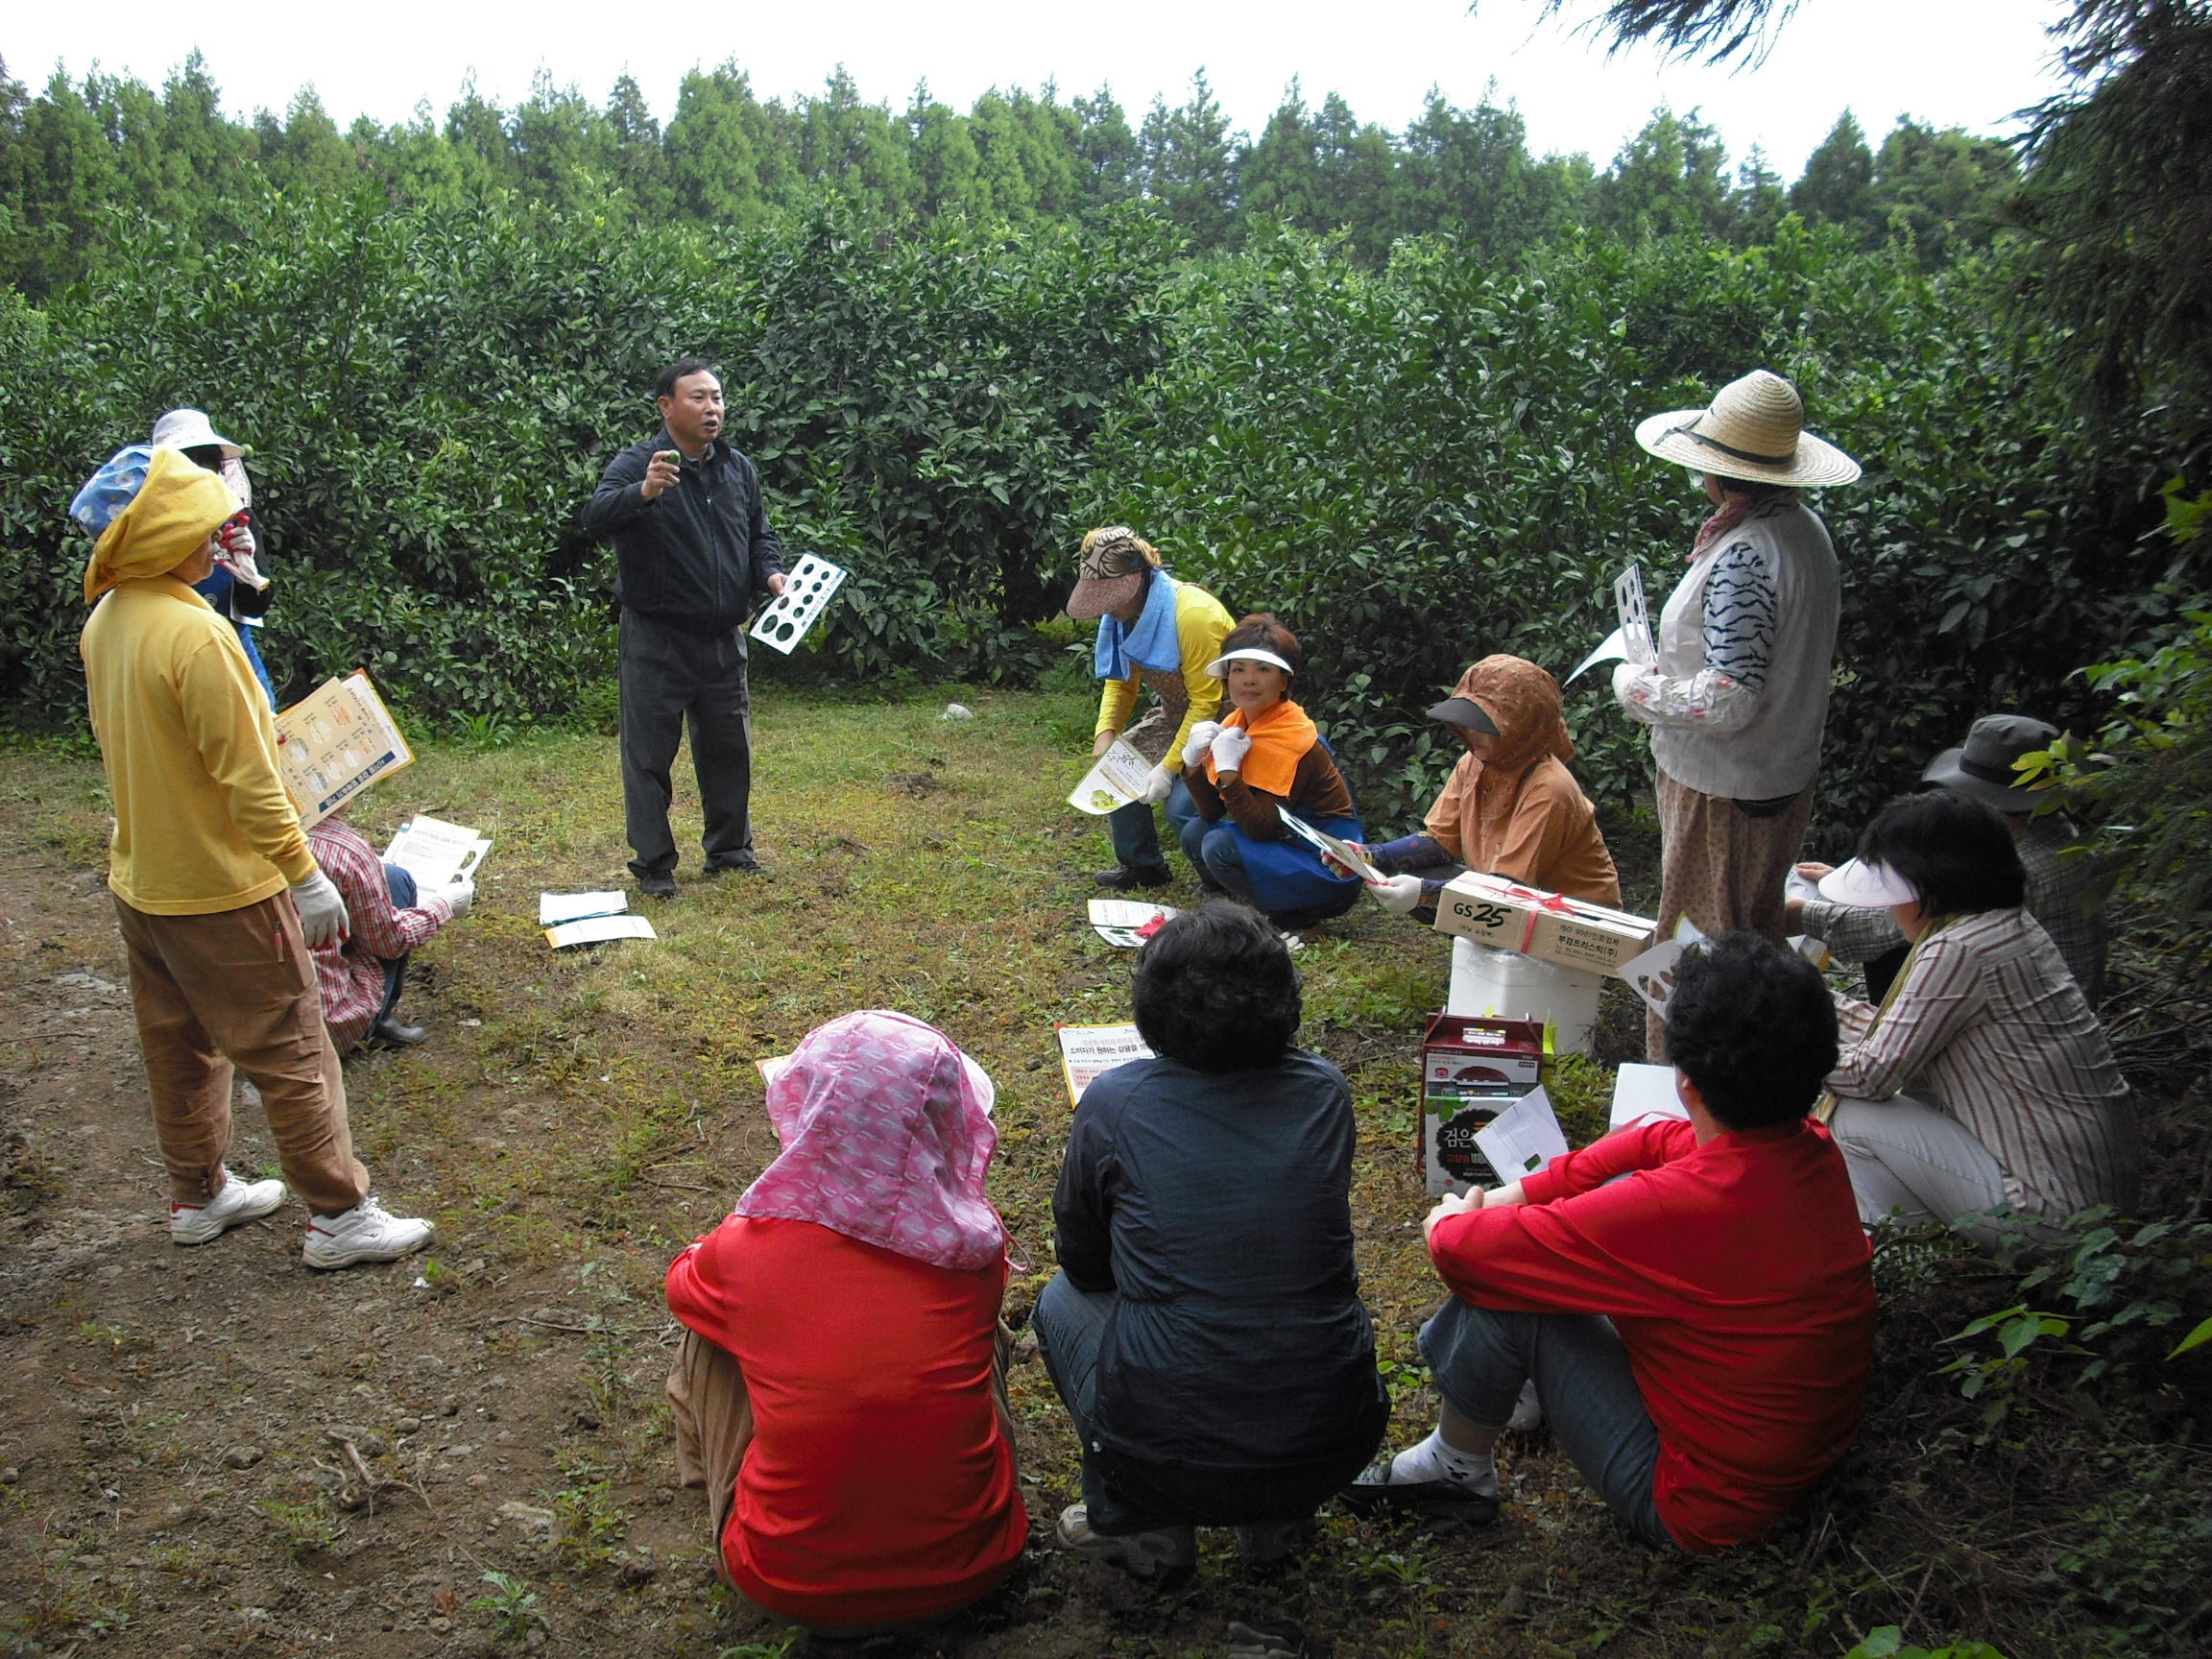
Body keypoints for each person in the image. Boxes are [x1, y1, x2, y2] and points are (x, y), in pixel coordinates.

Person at [1346, 932, 1876, 1554]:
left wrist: (1455, 1214)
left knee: (1505, 1292)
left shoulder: (1676, 1206)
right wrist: (1526, 1195)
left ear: (1688, 1081)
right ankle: (1518, 1396)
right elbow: (1654, 1138)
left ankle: (1455, 1471)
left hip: (1698, 1507)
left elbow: (1462, 1250)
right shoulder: (1812, 1146)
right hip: (1789, 1464)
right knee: (1571, 1219)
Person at [72, 445, 432, 1270]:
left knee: (180, 1046)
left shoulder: (109, 620)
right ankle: (339, 1215)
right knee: (293, 1045)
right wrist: (303, 876)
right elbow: (250, 780)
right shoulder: (198, 637)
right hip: (224, 890)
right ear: (163, 538)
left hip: (144, 882)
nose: (221, 537)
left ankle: (197, 1194)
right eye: (205, 527)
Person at [1034, 905, 1389, 1581]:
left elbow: (1079, 1256)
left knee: (1060, 1300)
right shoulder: (1324, 1091)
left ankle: (1141, 1522)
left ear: (1150, 1007)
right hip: (1333, 1439)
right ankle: (1276, 1521)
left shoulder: (1114, 1103)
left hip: (1163, 1450)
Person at [663, 1011, 1024, 1637]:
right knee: (979, 1335)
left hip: (787, 1584)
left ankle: (721, 1490)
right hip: (978, 1566)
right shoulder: (975, 1249)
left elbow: (680, 1285)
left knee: (709, 1334)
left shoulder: (746, 1250)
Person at [1612, 369, 1858, 1059]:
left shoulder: (1748, 555)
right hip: (1774, 773)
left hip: (1725, 787)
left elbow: (1730, 695)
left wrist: (1634, 688)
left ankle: (1691, 1083)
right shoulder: (1803, 529)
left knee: (1698, 950)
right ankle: (1757, 1078)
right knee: (1752, 934)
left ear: (1722, 475)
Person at [1815, 790, 2137, 1239]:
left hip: (2054, 1214)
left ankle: (1905, 1241)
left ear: (1932, 886)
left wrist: (1776, 1040)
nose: (1891, 907)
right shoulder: (2006, 924)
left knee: (1853, 1114)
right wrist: (1810, 999)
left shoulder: (1958, 948)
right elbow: (1901, 1033)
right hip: (2093, 1200)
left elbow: (1870, 1075)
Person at [584, 358, 789, 898]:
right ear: (666, 406)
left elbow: (758, 535)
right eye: (697, 398)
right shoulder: (639, 464)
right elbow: (596, 516)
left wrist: (770, 572)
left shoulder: (737, 468)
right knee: (649, 756)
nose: (712, 408)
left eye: (717, 398)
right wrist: (645, 493)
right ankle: (653, 866)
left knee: (729, 749)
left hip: (723, 638)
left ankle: (730, 852)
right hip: (657, 638)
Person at [1790, 714, 2107, 1004]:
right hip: (2053, 1002)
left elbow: (1904, 921)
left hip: (2025, 1014)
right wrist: (1851, 888)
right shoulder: (2056, 835)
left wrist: (1805, 914)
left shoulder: (2020, 870)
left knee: (1890, 949)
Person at [1356, 654, 1620, 921]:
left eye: (1483, 725)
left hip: (1574, 920)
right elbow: (1439, 842)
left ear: (1520, 726)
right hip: (1513, 898)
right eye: (1468, 723)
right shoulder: (1475, 762)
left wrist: (1425, 894)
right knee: (1420, 872)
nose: (1471, 733)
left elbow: (1510, 888)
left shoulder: (1550, 788)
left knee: (1430, 886)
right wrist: (1369, 856)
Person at [1067, 525, 1234, 891]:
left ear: (1138, 578)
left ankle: (1219, 879)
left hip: (1226, 723)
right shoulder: (1122, 617)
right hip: (1176, 714)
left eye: (1111, 594)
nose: (1106, 605)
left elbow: (1207, 703)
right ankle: (1144, 866)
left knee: (1182, 807)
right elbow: (1121, 678)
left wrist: (1168, 767)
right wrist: (1106, 733)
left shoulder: (1193, 615)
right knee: (1115, 770)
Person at [1177, 614, 1365, 929]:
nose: (1248, 680)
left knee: (1218, 846)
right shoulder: (1237, 724)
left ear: (1284, 681)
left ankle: (1292, 914)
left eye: (1263, 670)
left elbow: (1260, 828)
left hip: (1325, 862)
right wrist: (1193, 764)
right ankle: (1233, 894)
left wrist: (1228, 772)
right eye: (1238, 669)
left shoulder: (1292, 738)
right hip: (1284, 839)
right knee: (1196, 832)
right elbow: (1210, 812)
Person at [305, 811, 474, 1050]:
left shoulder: (239, 835)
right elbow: (391, 940)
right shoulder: (345, 848)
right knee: (397, 882)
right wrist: (446, 905)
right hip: (324, 1029)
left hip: (251, 1022)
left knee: (391, 877)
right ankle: (377, 1020)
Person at [152, 408, 276, 710]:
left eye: (208, 465)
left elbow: (253, 606)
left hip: (233, 649)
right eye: (189, 464)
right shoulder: (147, 527)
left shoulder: (237, 520)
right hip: (170, 661)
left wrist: (252, 578)